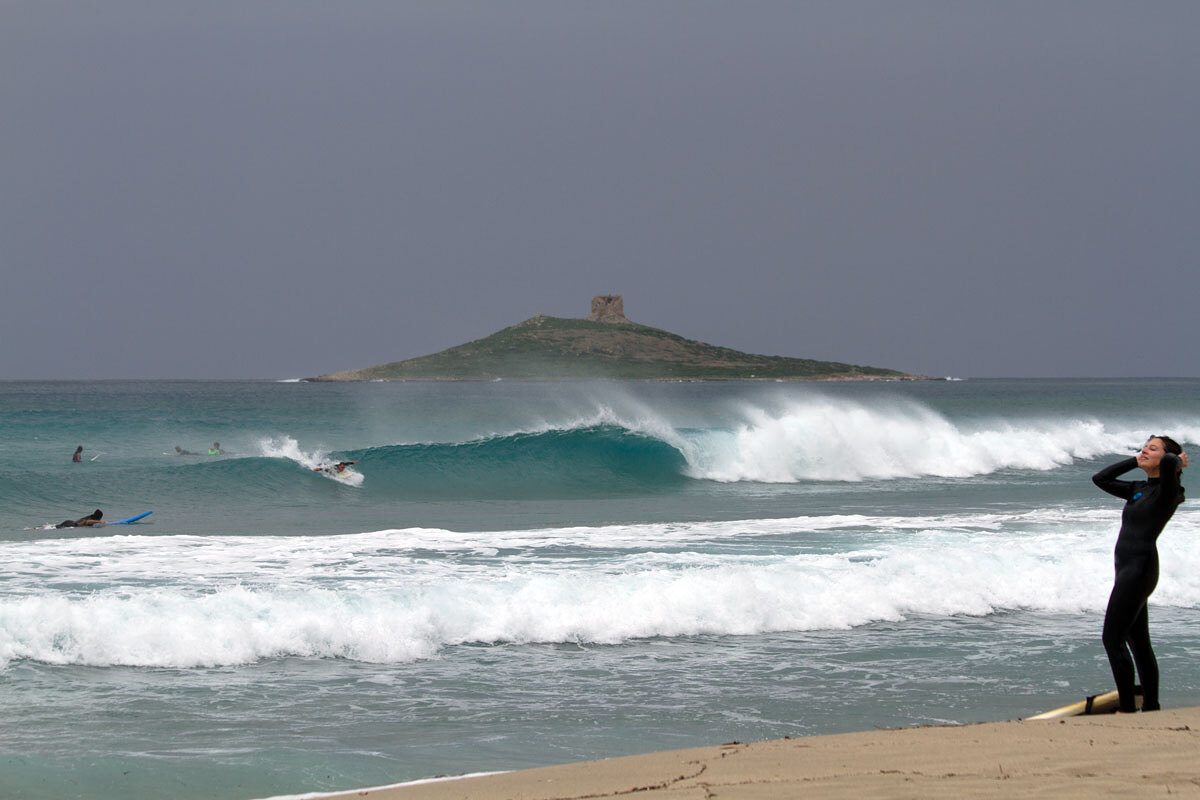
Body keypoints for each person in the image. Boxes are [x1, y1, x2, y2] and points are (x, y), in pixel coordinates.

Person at [1092, 435, 1189, 713]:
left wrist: (1174, 459)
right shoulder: (1139, 488)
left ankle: (1126, 708)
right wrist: (1136, 460)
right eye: (1144, 446)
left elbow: (1171, 462)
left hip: (1139, 570)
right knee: (1138, 641)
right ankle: (1151, 706)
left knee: (1112, 638)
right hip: (1128, 570)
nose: (1145, 450)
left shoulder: (1168, 492)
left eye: (1152, 448)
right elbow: (1100, 478)